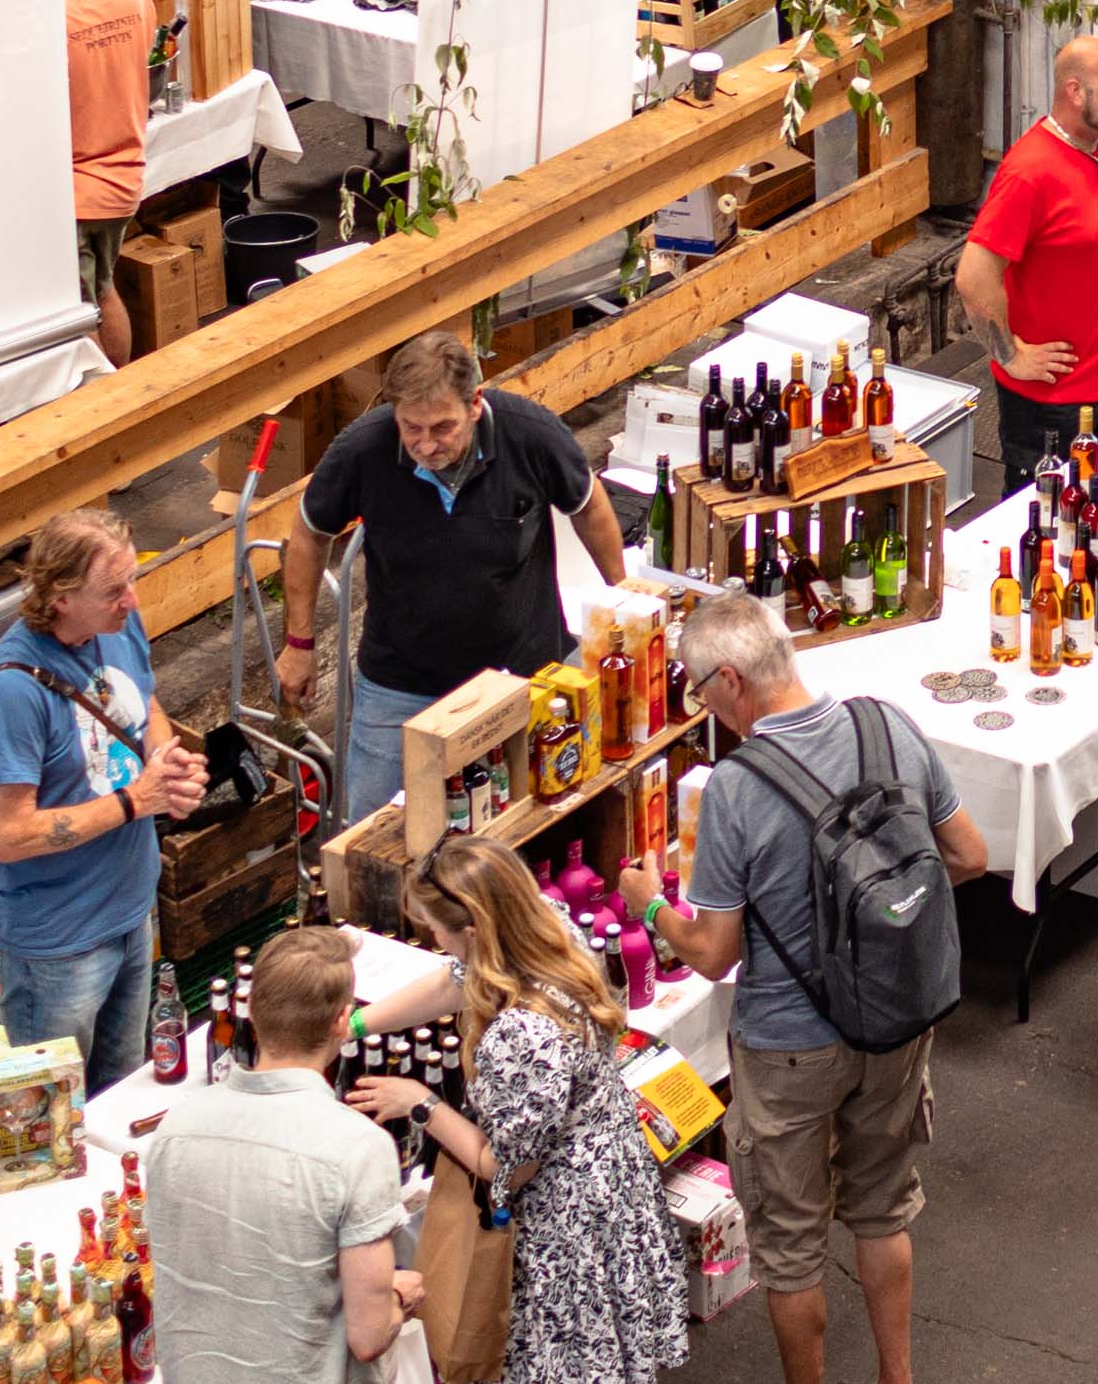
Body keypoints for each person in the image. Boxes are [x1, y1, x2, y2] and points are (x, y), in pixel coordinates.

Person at [619, 591, 989, 1384]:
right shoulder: (886, 723)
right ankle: (899, 1375)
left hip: (790, 1044)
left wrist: (648, 903)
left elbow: (715, 954)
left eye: (696, 689)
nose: (700, 705)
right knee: (885, 1207)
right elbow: (969, 854)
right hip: (897, 1018)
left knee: (790, 1248)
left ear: (728, 680)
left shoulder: (737, 788)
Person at [378, 834, 692, 1384]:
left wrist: (421, 1104)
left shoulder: (519, 1036)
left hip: (566, 1224)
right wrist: (359, 1024)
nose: (432, 938)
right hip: (611, 1179)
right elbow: (455, 982)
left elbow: (504, 1166)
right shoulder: (547, 926)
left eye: (437, 928)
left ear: (473, 931)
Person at [285, 327, 625, 829]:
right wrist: (299, 641)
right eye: (411, 428)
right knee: (372, 833)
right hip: (403, 683)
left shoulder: (529, 434)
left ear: (474, 404)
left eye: (442, 427)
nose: (426, 444)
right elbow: (310, 533)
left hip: (526, 674)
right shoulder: (363, 450)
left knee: (547, 817)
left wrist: (623, 599)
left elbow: (588, 506)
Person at [0, 505, 201, 1089]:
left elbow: (144, 703)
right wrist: (135, 801)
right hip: (59, 942)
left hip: (130, 910)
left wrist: (164, 760)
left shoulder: (117, 623)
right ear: (59, 598)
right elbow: (10, 834)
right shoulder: (12, 693)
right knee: (57, 1112)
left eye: (131, 580)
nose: (131, 599)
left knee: (122, 1089)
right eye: (113, 589)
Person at [141, 927, 415, 1384]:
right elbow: (368, 1336)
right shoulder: (358, 1148)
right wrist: (400, 1299)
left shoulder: (175, 1129)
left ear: (252, 1010)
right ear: (341, 1021)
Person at [958, 31, 1098, 487]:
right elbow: (973, 276)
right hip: (1059, 408)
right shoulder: (1030, 172)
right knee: (1045, 530)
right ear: (1075, 91)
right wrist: (1010, 355)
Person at [61, 0, 159, 359]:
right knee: (102, 288)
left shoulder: (46, 14)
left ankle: (105, 409)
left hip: (76, 190)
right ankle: (119, 391)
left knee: (80, 312)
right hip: (124, 178)